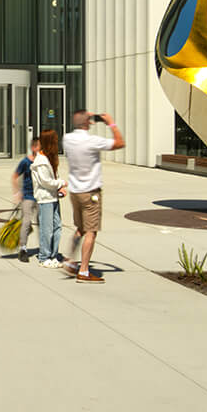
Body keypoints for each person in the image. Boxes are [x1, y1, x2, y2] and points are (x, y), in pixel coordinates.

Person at [61, 110, 123, 283]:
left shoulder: (67, 139)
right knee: (91, 231)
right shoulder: (92, 141)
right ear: (88, 123)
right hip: (91, 192)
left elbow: (81, 123)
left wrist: (86, 118)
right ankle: (84, 271)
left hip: (75, 191)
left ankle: (70, 260)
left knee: (80, 228)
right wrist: (110, 122)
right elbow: (120, 142)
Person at [31, 128, 65, 267]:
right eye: (55, 138)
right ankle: (44, 257)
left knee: (57, 226)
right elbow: (46, 182)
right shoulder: (41, 161)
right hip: (45, 199)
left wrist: (59, 186)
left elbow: (53, 178)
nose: (57, 141)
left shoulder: (49, 158)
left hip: (53, 197)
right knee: (47, 229)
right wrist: (62, 183)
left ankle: (53, 255)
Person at [11, 136, 39, 262]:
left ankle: (44, 248)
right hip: (28, 196)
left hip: (41, 196)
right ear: (33, 147)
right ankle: (23, 248)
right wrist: (17, 192)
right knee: (27, 221)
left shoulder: (44, 161)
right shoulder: (26, 162)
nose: (41, 149)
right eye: (38, 146)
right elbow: (15, 176)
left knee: (43, 223)